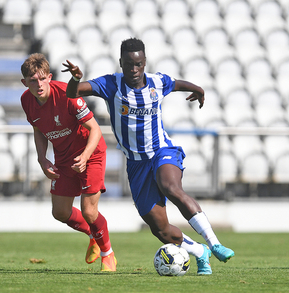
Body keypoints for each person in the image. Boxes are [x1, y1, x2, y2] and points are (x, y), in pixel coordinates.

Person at [63, 38, 234, 275]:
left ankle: (214, 243)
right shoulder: (111, 84)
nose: (134, 70)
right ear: (120, 63)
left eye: (139, 64)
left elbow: (176, 84)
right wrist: (75, 79)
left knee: (170, 187)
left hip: (162, 151)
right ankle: (200, 252)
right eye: (129, 65)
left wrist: (198, 89)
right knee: (160, 229)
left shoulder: (157, 81)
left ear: (145, 63)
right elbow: (73, 93)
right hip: (136, 164)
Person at [20, 53, 116, 271]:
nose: (39, 84)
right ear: (24, 83)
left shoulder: (66, 94)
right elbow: (38, 129)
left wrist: (85, 156)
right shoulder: (26, 101)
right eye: (33, 81)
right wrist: (42, 158)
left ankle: (108, 253)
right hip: (63, 158)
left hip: (90, 153)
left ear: (50, 77)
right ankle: (94, 234)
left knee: (90, 212)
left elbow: (96, 129)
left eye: (42, 79)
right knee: (60, 212)